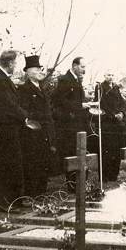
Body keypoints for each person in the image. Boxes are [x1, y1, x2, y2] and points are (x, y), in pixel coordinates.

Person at [0, 50, 31, 205]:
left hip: (7, 129)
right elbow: (9, 104)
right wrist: (25, 116)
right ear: (10, 63)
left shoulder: (1, 78)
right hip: (2, 131)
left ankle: (11, 200)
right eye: (15, 63)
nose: (15, 66)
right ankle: (4, 202)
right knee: (3, 166)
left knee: (10, 164)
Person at [18, 55, 56, 197]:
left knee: (43, 164)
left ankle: (41, 195)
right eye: (35, 69)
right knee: (32, 164)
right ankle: (31, 195)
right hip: (32, 133)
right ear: (27, 72)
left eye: (40, 68)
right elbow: (25, 111)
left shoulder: (42, 89)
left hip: (45, 133)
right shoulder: (23, 89)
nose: (39, 71)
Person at [51, 57, 91, 191]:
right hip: (69, 125)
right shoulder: (65, 80)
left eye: (85, 67)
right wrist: (80, 105)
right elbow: (59, 101)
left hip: (78, 124)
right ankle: (73, 185)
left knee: (80, 153)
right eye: (82, 67)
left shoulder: (76, 80)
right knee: (72, 153)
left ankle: (80, 183)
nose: (84, 70)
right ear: (74, 66)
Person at [94, 71, 126, 182]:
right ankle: (104, 176)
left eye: (112, 74)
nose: (111, 76)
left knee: (116, 151)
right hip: (107, 123)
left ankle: (114, 175)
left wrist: (122, 113)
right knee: (105, 151)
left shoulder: (116, 87)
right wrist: (112, 115)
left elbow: (122, 103)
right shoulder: (100, 87)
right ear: (104, 75)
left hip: (117, 125)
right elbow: (100, 103)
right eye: (108, 74)